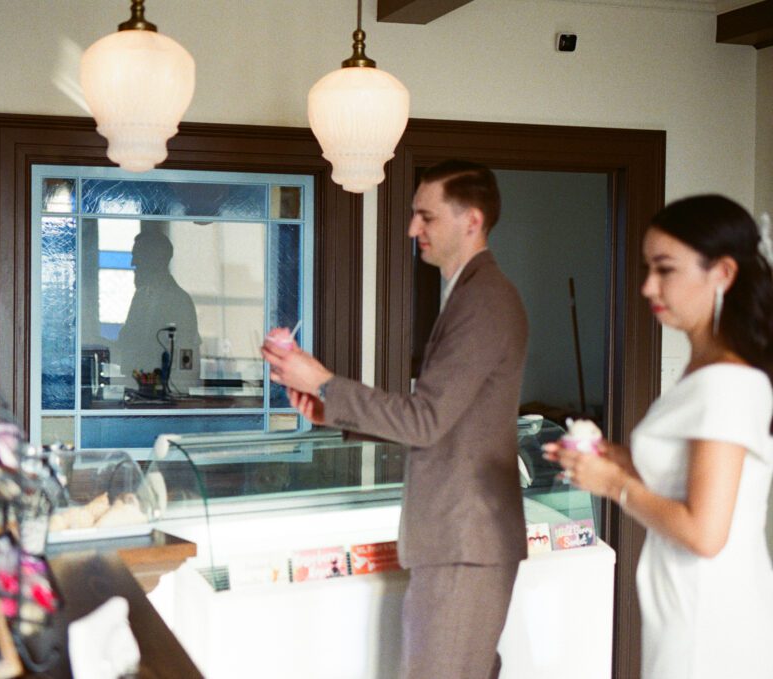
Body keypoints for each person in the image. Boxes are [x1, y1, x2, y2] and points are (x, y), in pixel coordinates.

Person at [263, 160, 528, 679]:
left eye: (425, 217)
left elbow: (426, 420)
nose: (413, 229)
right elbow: (445, 419)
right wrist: (330, 408)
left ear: (471, 221)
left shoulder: (485, 299)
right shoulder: (469, 295)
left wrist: (323, 381)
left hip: (465, 539)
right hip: (460, 538)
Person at [548, 194, 773, 679]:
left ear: (723, 274)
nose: (648, 284)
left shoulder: (728, 383)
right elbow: (683, 476)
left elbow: (705, 534)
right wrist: (615, 458)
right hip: (681, 603)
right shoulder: (703, 373)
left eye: (665, 269)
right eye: (648, 267)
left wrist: (614, 484)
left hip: (709, 618)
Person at [115, 228, 201, 396]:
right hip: (139, 392)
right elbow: (129, 342)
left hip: (167, 397)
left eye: (137, 256)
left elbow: (187, 359)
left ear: (154, 260)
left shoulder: (179, 300)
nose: (133, 263)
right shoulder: (141, 297)